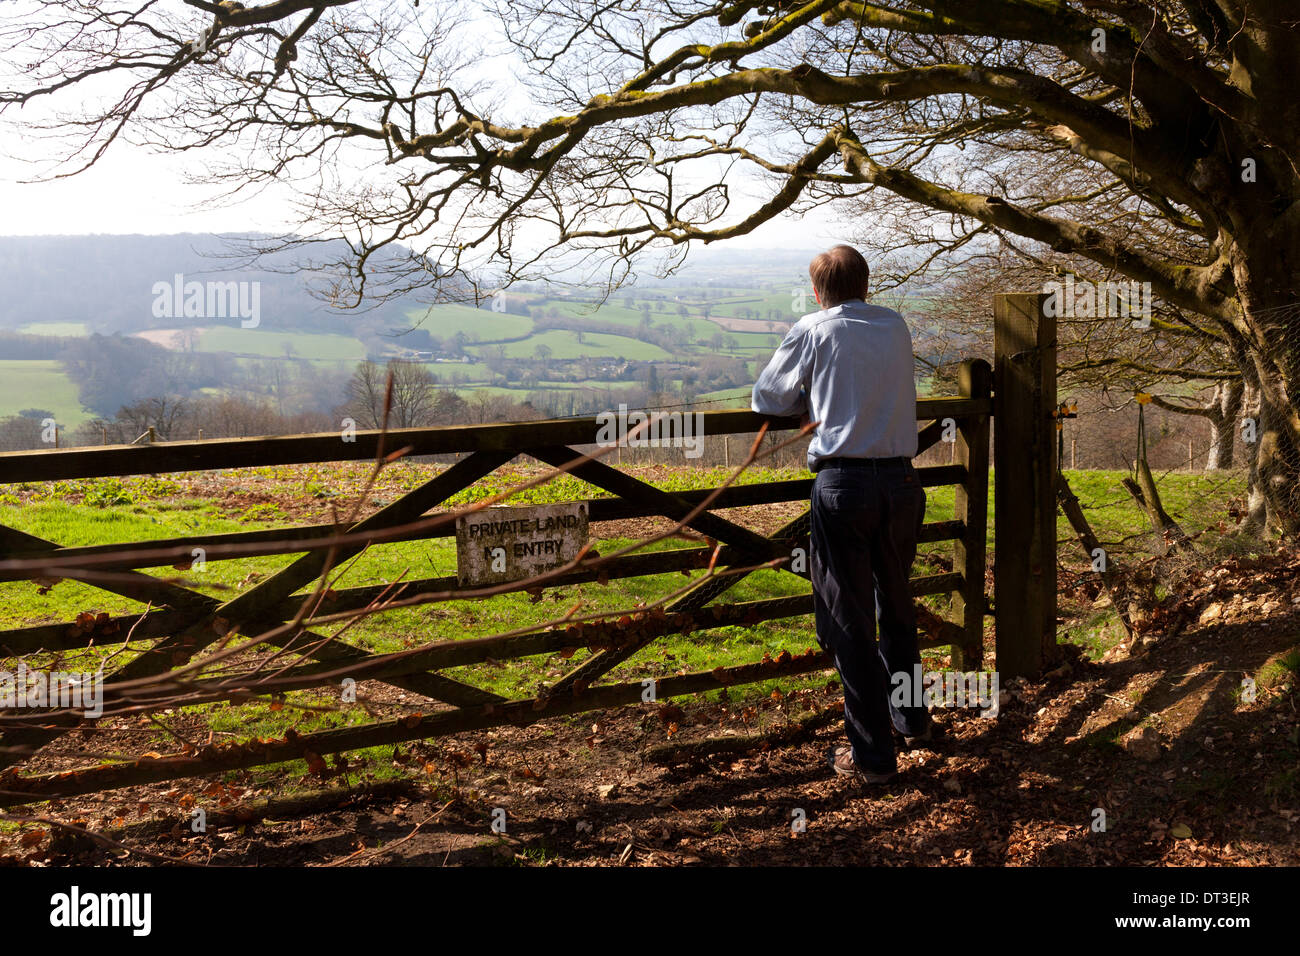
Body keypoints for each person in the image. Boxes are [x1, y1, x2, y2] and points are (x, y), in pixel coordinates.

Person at [751, 244, 932, 784]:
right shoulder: (895, 324)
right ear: (867, 284)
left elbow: (767, 397)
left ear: (816, 291)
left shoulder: (814, 328)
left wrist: (813, 401)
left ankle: (874, 759)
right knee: (897, 606)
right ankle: (912, 719)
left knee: (852, 621)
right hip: (902, 482)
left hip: (844, 486)